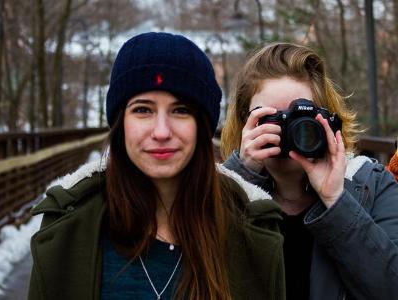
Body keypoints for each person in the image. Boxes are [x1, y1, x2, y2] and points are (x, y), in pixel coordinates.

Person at [28, 32, 285, 300]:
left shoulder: (251, 229)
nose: (161, 132)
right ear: (121, 124)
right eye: (143, 110)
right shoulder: (69, 226)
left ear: (203, 127)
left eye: (180, 110)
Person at [220, 42, 398, 300]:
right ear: (243, 123)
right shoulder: (214, 192)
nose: (285, 132)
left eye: (297, 118)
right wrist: (240, 180)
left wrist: (337, 201)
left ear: (327, 119)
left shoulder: (372, 185)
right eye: (270, 119)